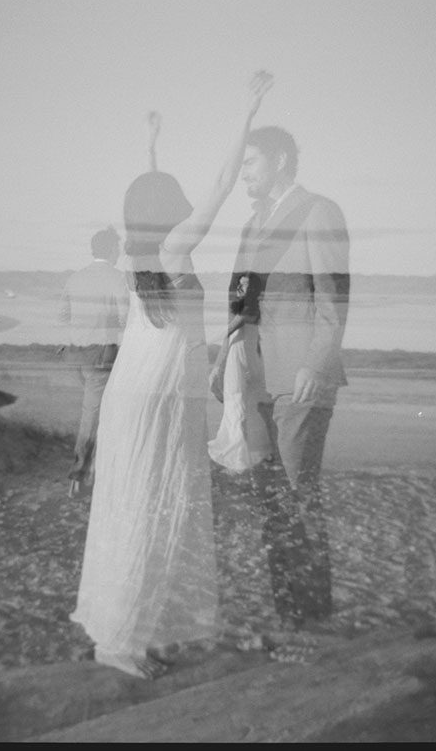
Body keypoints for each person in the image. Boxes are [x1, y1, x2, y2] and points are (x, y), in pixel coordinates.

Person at [70, 71, 274, 679]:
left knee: (135, 509)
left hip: (136, 392)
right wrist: (250, 107)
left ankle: (131, 630)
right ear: (168, 207)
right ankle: (121, 643)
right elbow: (218, 184)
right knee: (153, 512)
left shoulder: (138, 250)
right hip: (159, 397)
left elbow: (146, 193)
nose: (189, 199)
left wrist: (152, 147)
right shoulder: (175, 247)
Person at [210, 124, 350, 630]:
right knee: (268, 500)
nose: (243, 172)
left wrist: (317, 362)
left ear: (282, 161)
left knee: (296, 493)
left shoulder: (319, 211)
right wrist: (223, 359)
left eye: (250, 162)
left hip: (301, 379)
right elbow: (239, 299)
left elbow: (334, 296)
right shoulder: (252, 225)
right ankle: (289, 612)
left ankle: (313, 618)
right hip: (255, 376)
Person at [58, 226, 129, 495]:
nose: (120, 251)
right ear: (112, 249)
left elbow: (63, 315)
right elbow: (125, 319)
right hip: (103, 356)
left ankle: (96, 469)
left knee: (95, 412)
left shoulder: (75, 278)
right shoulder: (117, 278)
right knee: (96, 415)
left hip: (78, 355)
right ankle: (81, 474)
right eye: (118, 247)